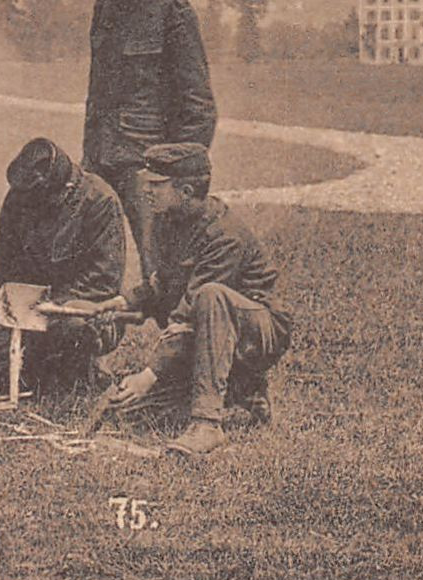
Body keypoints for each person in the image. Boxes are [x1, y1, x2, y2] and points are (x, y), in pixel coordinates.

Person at [86, 143, 292, 457]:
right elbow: (164, 284)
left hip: (257, 330)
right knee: (131, 414)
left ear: (185, 190)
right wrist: (121, 305)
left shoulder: (224, 235)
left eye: (157, 185)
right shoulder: (167, 220)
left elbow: (189, 312)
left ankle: (207, 424)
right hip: (209, 333)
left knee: (212, 297)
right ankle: (243, 396)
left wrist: (150, 373)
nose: (147, 191)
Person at [83, 0, 216, 280]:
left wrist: (177, 172)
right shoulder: (107, 5)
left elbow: (198, 102)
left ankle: (179, 335)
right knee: (88, 261)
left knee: (160, 269)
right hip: (99, 158)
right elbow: (98, 92)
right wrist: (90, 155)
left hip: (147, 164)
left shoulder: (174, 10)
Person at [0, 138, 128, 399]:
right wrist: (21, 305)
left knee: (67, 355)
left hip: (81, 315)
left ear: (64, 190)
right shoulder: (20, 196)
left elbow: (103, 283)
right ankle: (41, 366)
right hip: (31, 316)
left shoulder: (99, 200)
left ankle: (86, 369)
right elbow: (4, 262)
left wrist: (52, 305)